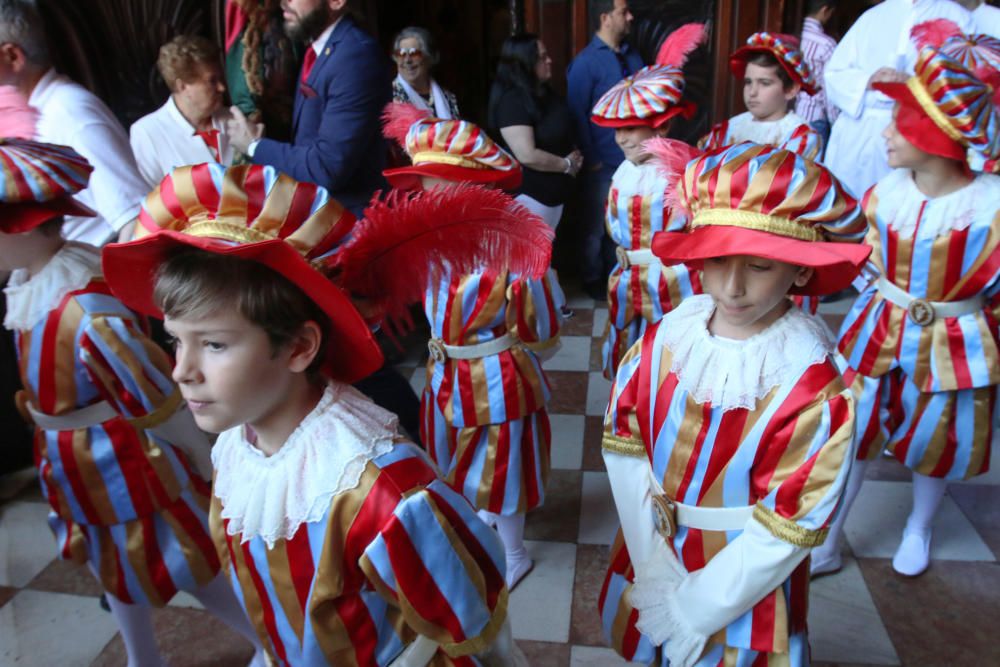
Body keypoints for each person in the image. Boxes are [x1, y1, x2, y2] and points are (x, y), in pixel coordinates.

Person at [101, 162, 528, 665]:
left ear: (300, 346)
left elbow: (474, 630)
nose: (181, 371)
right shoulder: (241, 449)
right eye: (176, 340)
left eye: (214, 344)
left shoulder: (385, 494)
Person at [598, 142, 871, 666]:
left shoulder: (813, 388)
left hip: (742, 579)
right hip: (647, 547)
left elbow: (787, 521)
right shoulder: (664, 341)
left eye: (760, 266)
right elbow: (625, 446)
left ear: (801, 270)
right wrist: (652, 561)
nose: (732, 286)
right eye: (717, 258)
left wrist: (695, 608)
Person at [0, 139, 263, 667]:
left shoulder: (87, 309)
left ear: (21, 228)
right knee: (111, 562)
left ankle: (267, 641)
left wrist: (197, 452)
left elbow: (154, 394)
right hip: (74, 459)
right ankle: (145, 657)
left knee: (184, 559)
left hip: (123, 462)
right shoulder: (31, 291)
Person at [811, 44, 1000, 579]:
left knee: (937, 437)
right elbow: (862, 258)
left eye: (901, 122)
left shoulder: (991, 211)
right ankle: (829, 534)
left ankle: (919, 525)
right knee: (854, 432)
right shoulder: (883, 196)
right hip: (878, 332)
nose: (887, 133)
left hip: (956, 343)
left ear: (937, 139)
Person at [383, 105, 561, 591]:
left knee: (503, 464)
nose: (424, 191)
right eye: (423, 181)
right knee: (459, 455)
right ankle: (484, 523)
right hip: (445, 371)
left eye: (435, 182)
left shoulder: (512, 245)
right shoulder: (433, 241)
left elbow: (541, 325)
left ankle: (514, 551)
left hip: (496, 376)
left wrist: (508, 357)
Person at [588, 23, 705, 379]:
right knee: (629, 357)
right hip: (626, 280)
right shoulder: (626, 172)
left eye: (631, 128)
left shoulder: (684, 170)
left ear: (662, 125)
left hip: (673, 283)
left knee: (669, 362)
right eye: (618, 129)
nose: (621, 139)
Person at [0, 0, 147, 245]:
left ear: (13, 57)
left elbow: (137, 219)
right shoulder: (35, 113)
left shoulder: (71, 115)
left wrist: (105, 282)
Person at [226, 0, 389, 217]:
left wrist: (254, 146)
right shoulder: (319, 47)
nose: (283, 2)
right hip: (322, 219)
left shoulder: (355, 57)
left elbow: (326, 168)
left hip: (351, 227)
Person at [822, 0, 974, 198]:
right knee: (844, 204)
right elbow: (834, 73)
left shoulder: (958, 18)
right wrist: (869, 79)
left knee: (899, 206)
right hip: (858, 130)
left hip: (915, 134)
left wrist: (917, 84)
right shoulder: (872, 16)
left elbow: (966, 83)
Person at [488, 33, 582, 317]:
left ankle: (547, 307)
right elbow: (526, 154)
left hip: (553, 197)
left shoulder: (543, 93)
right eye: (542, 56)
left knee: (540, 255)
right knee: (526, 261)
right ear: (524, 62)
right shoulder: (512, 102)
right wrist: (566, 165)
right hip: (530, 197)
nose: (549, 59)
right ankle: (531, 318)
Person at [566, 0, 643, 299]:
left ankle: (619, 276)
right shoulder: (586, 63)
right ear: (605, 18)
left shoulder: (633, 56)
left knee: (625, 223)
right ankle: (592, 279)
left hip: (633, 159)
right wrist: (593, 159)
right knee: (595, 227)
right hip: (603, 163)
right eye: (623, 12)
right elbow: (576, 113)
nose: (630, 17)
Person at [130, 35, 233, 190]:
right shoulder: (147, 133)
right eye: (212, 81)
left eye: (220, 79)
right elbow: (149, 202)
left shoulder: (233, 118)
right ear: (182, 86)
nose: (221, 88)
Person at [699, 32, 823, 161]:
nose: (752, 92)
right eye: (748, 82)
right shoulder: (727, 130)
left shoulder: (799, 136)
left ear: (790, 90)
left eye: (764, 83)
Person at [795, 0, 840, 152]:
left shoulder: (792, 36)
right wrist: (835, 122)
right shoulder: (826, 43)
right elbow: (831, 87)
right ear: (825, 10)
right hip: (814, 116)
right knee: (812, 171)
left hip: (787, 115)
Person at [391, 26, 459, 119]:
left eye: (414, 53)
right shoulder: (389, 97)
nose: (407, 60)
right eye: (401, 54)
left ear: (428, 58)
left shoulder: (448, 98)